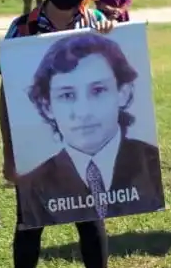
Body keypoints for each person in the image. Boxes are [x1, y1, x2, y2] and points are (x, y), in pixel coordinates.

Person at [0, 0, 119, 268]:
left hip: (85, 143)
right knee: (29, 221)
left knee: (90, 221)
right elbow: (7, 96)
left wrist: (113, 36)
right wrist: (10, 153)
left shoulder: (97, 26)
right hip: (36, 142)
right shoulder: (23, 28)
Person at [14, 31, 163, 226]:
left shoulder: (150, 165)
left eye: (98, 90)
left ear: (123, 93)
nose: (84, 112)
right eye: (67, 95)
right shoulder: (34, 185)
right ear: (47, 106)